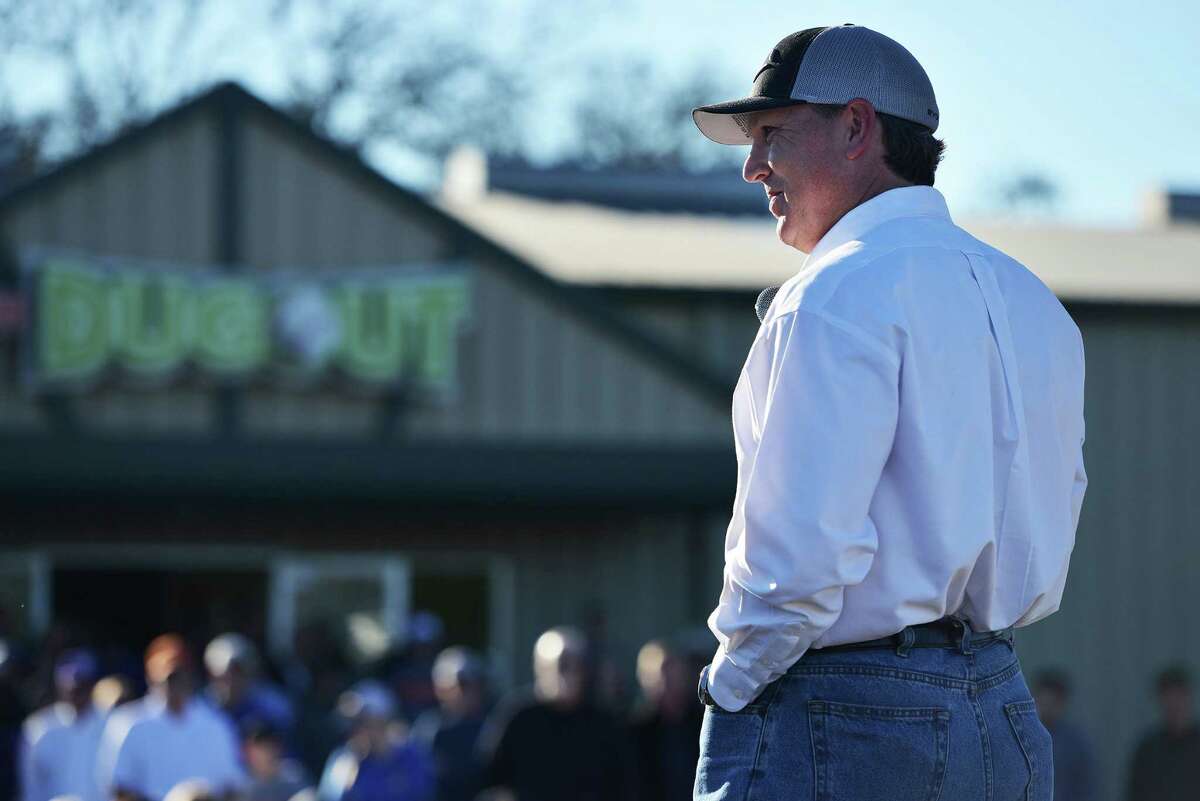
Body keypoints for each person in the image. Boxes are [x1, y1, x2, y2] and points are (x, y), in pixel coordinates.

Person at [689, 24, 1087, 800]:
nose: (751, 166)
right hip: (1001, 703)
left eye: (771, 134)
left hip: (845, 714)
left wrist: (728, 685)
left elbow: (794, 565)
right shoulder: (1034, 302)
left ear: (856, 126)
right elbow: (1050, 519)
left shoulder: (831, 295)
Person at [479, 626, 631, 801]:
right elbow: (490, 776)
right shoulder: (518, 716)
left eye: (576, 665)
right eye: (561, 664)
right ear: (540, 667)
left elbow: (621, 782)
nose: (568, 673)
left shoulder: (602, 723)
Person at [96, 634, 245, 801]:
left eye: (180, 673)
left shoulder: (216, 723)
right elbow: (119, 788)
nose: (174, 682)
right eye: (168, 676)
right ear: (151, 675)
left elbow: (232, 786)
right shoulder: (126, 722)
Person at [317, 680, 434, 801]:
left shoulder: (410, 755)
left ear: (383, 722)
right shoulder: (344, 760)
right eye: (353, 724)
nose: (357, 730)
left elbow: (424, 792)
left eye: (363, 722)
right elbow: (328, 797)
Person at [19, 649, 106, 801]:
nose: (75, 692)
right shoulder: (38, 727)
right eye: (69, 687)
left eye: (81, 685)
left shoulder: (112, 724)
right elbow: (31, 787)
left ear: (91, 684)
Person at [410, 647, 490, 801]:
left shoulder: (493, 724)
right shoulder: (427, 730)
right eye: (462, 683)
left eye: (476, 683)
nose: (470, 691)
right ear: (440, 688)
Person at [629, 640, 702, 801]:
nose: (669, 680)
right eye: (662, 673)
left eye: (673, 671)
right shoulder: (636, 732)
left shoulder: (703, 724)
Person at [1126, 665, 1200, 801]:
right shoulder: (1147, 751)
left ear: (1189, 697)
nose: (1174, 703)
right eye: (1168, 696)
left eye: (1179, 695)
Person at [204, 633, 296, 738]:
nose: (231, 679)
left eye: (237, 671)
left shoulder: (273, 707)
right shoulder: (201, 709)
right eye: (223, 675)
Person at [1032, 669, 1096, 801]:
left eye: (1052, 703)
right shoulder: (1025, 738)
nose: (1047, 708)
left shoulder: (1076, 743)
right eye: (1043, 703)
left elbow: (1087, 788)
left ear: (1061, 703)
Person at [241, 720, 312, 801]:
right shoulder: (242, 785)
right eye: (260, 747)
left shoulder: (293, 774)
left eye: (268, 745)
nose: (266, 752)